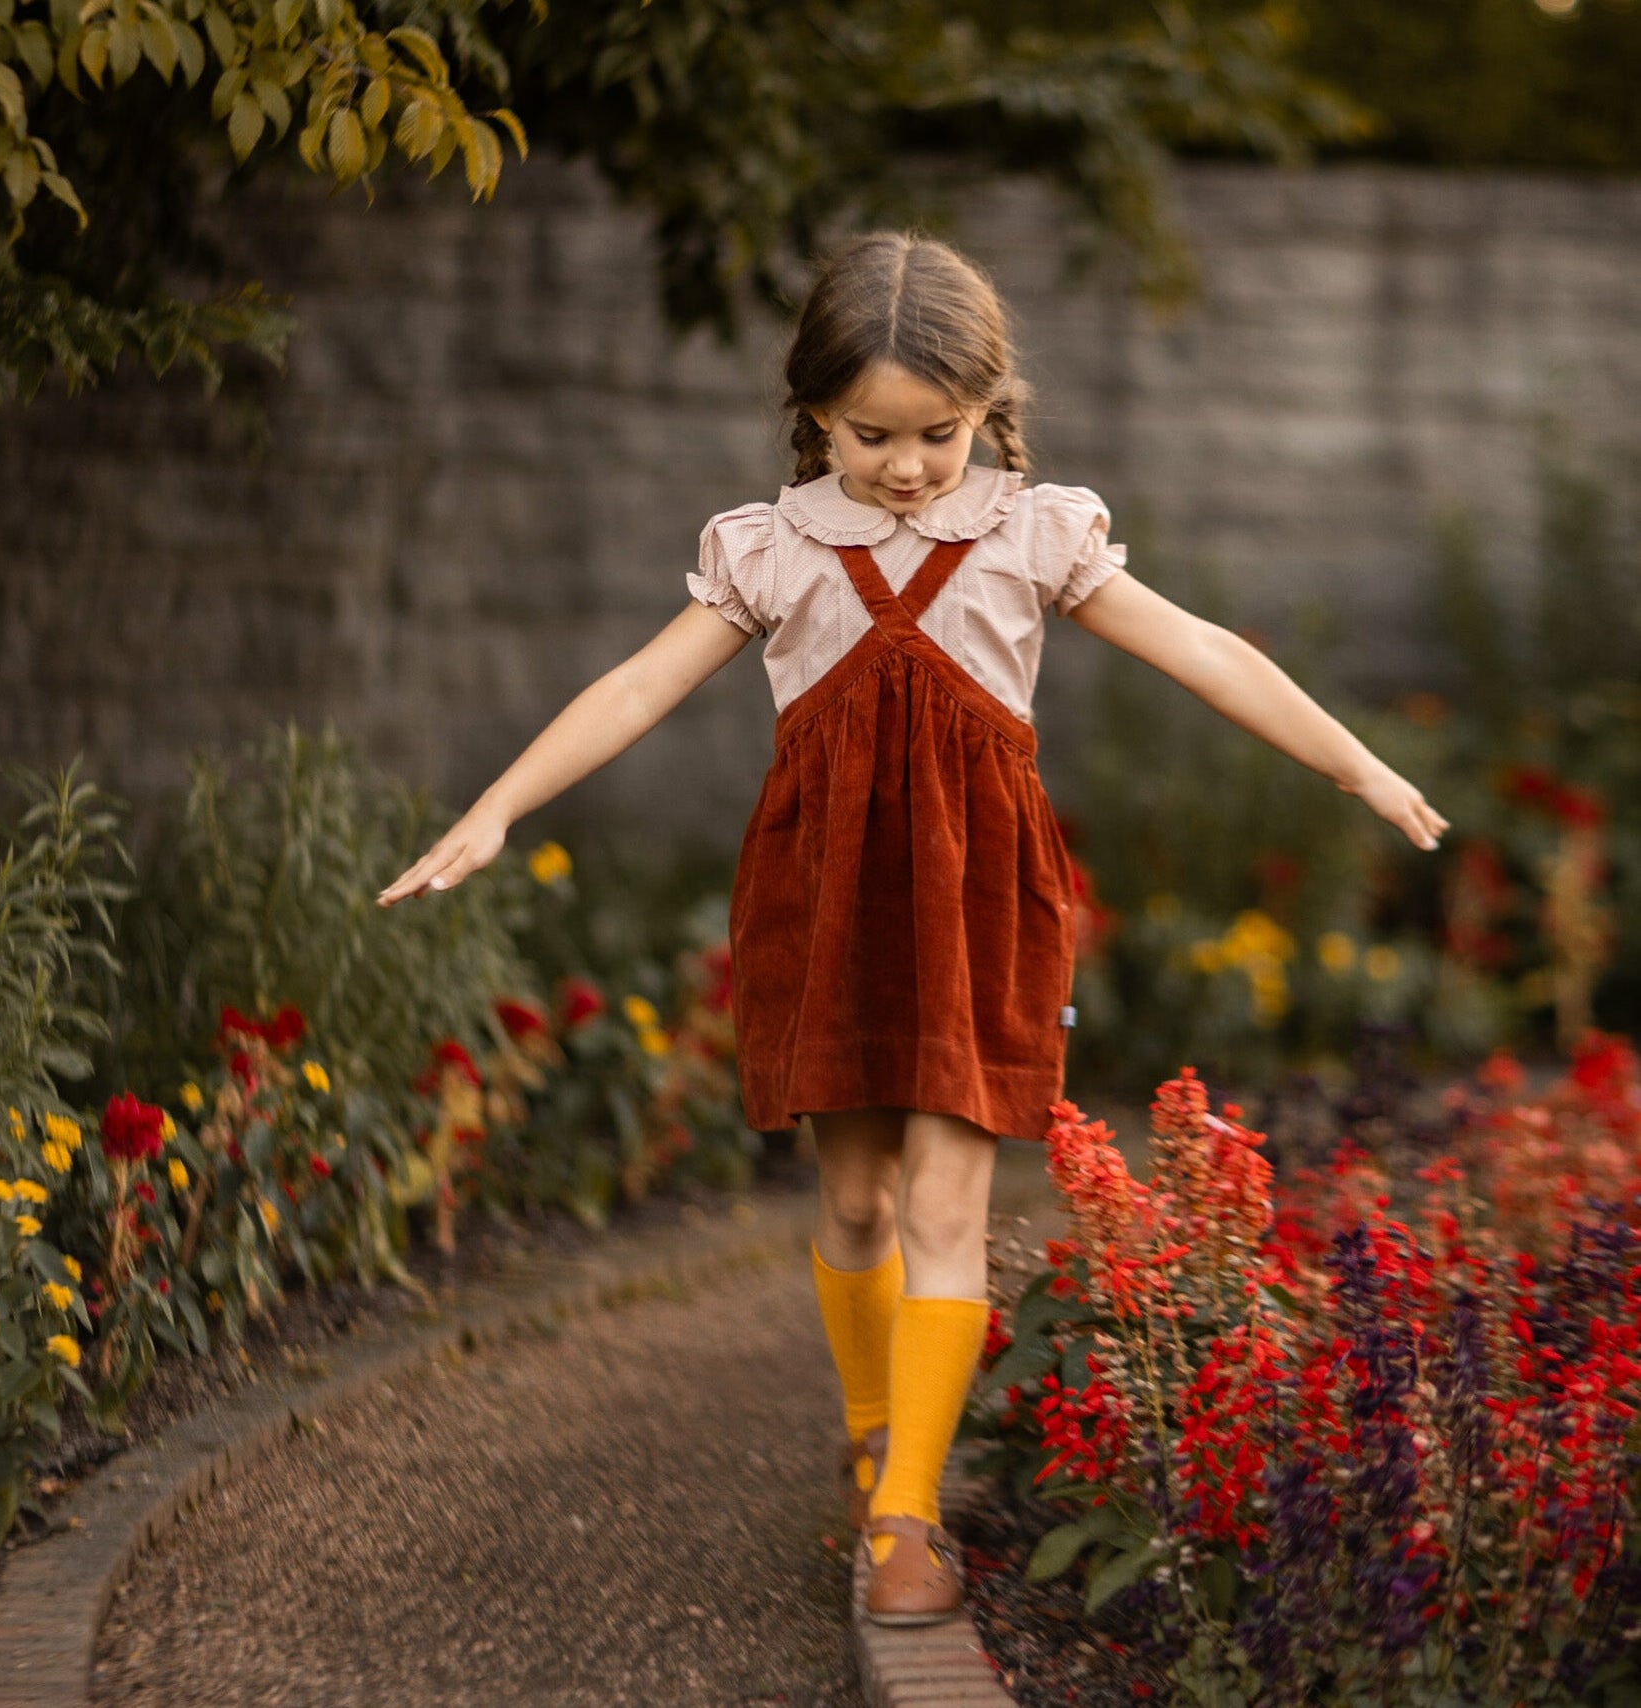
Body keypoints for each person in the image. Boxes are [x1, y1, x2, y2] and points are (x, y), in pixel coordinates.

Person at [377, 231, 1449, 1626]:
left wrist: (1355, 764)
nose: (902, 464)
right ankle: (877, 1423)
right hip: (824, 906)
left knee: (949, 1203)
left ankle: (906, 1516)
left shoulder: (1032, 532)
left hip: (985, 903)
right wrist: (499, 807)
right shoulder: (765, 550)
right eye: (870, 433)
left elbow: (1202, 647)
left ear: (986, 408)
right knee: (859, 1202)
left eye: (936, 435)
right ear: (813, 412)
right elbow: (638, 686)